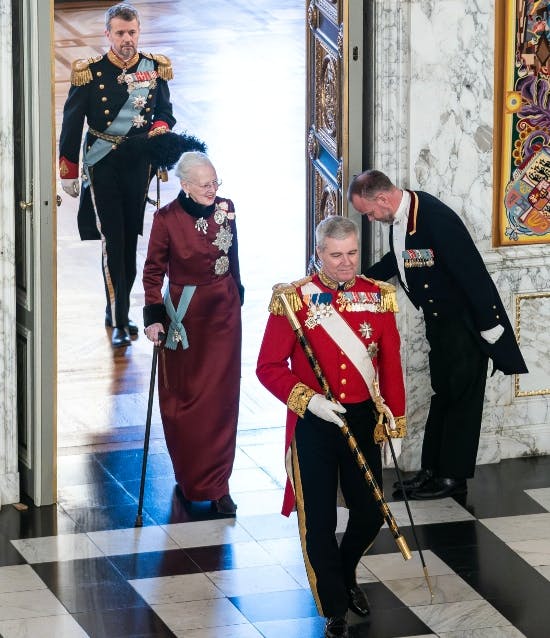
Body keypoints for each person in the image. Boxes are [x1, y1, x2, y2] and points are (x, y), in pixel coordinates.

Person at [256, 216, 406, 638]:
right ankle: (334, 605)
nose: (346, 264)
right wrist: (310, 401)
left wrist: (394, 411)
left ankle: (344, 571)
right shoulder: (294, 300)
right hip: (314, 422)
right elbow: (267, 368)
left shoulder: (378, 297)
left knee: (371, 512)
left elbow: (390, 361)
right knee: (317, 520)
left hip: (359, 418)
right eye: (336, 255)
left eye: (353, 254)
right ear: (319, 253)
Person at [348, 169, 528, 500]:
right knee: (442, 393)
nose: (371, 219)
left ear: (383, 199)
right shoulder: (403, 218)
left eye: (370, 212)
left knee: (462, 399)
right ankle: (432, 470)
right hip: (439, 323)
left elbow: (471, 271)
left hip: (465, 325)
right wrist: (361, 283)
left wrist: (489, 326)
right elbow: (399, 260)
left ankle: (453, 477)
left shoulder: (435, 217)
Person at [59, 2, 176, 348]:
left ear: (139, 32)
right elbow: (71, 123)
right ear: (107, 34)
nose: (127, 39)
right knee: (113, 240)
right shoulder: (90, 73)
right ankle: (121, 315)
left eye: (132, 32)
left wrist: (159, 130)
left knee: (129, 241)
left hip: (138, 163)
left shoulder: (154, 69)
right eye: (120, 33)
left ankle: (116, 307)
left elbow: (166, 113)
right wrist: (67, 169)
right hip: (102, 162)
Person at [143, 151, 243, 516]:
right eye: (205, 185)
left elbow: (233, 255)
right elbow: (153, 272)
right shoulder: (166, 219)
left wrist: (238, 287)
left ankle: (219, 486)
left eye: (215, 182)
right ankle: (190, 478)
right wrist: (154, 317)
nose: (213, 190)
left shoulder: (227, 207)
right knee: (186, 401)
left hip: (224, 313)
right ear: (184, 185)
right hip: (185, 315)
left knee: (222, 400)